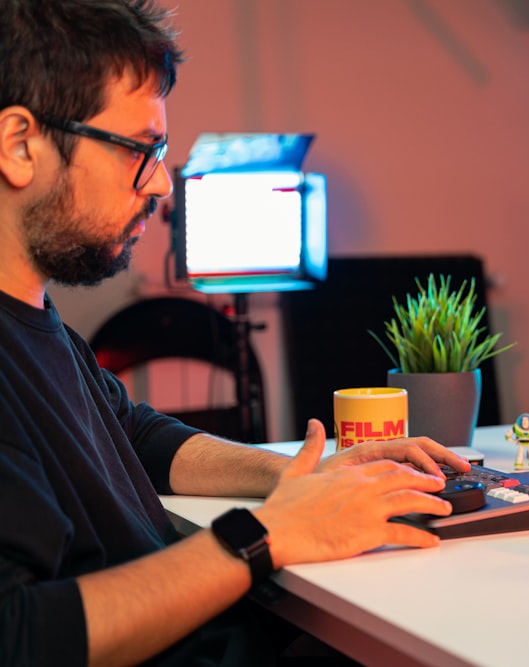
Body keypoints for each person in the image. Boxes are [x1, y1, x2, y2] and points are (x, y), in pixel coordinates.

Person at [0, 2, 472, 665]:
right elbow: (19, 637)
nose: (161, 183)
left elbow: (135, 434)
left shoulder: (40, 325)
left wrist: (304, 478)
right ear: (20, 145)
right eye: (140, 150)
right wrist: (269, 532)